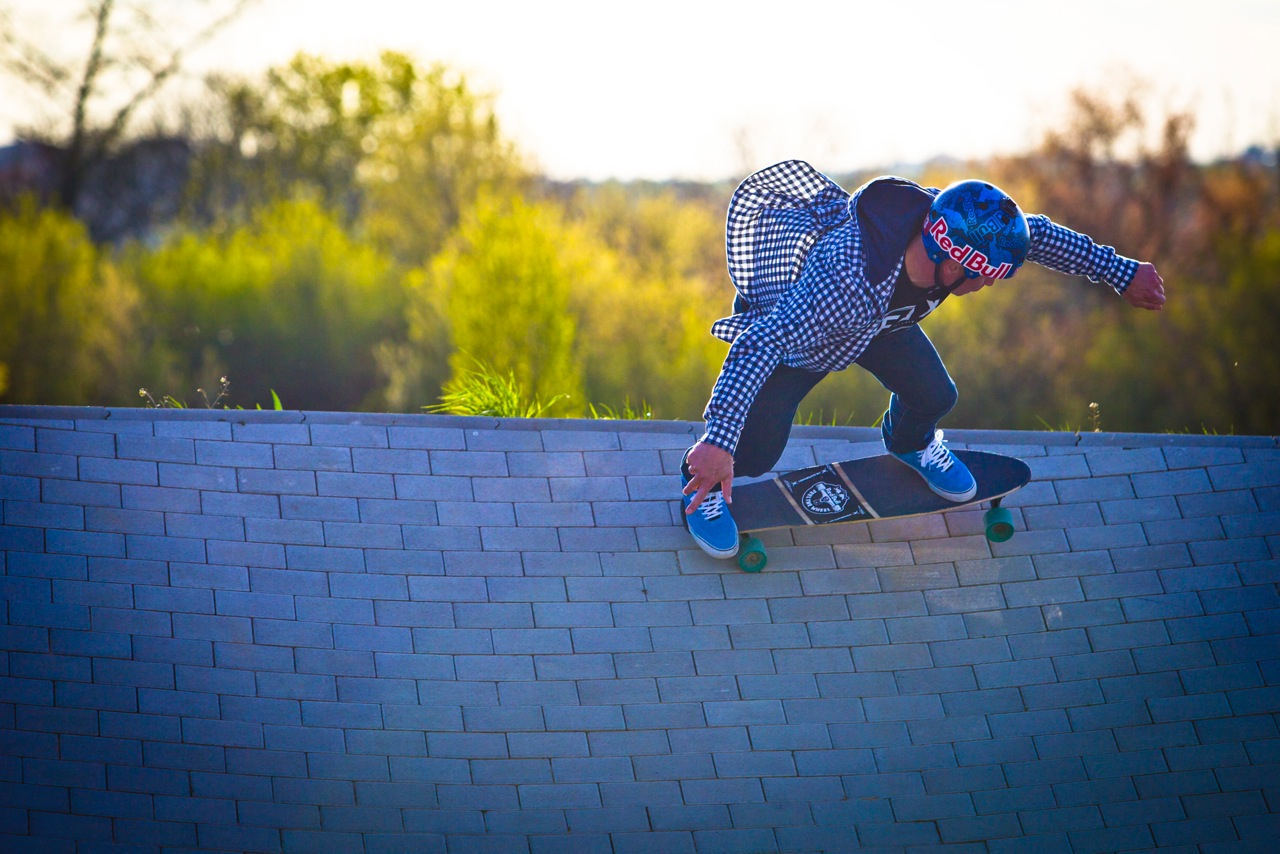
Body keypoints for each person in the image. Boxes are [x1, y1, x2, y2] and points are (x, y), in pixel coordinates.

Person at [680, 160, 1166, 559]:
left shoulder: (954, 218)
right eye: (980, 274)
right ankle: (701, 480)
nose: (987, 284)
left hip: (876, 326)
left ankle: (910, 443)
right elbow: (758, 343)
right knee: (757, 452)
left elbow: (1036, 235)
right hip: (800, 339)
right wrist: (719, 439)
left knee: (935, 393)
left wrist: (1120, 272)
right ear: (948, 256)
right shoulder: (846, 280)